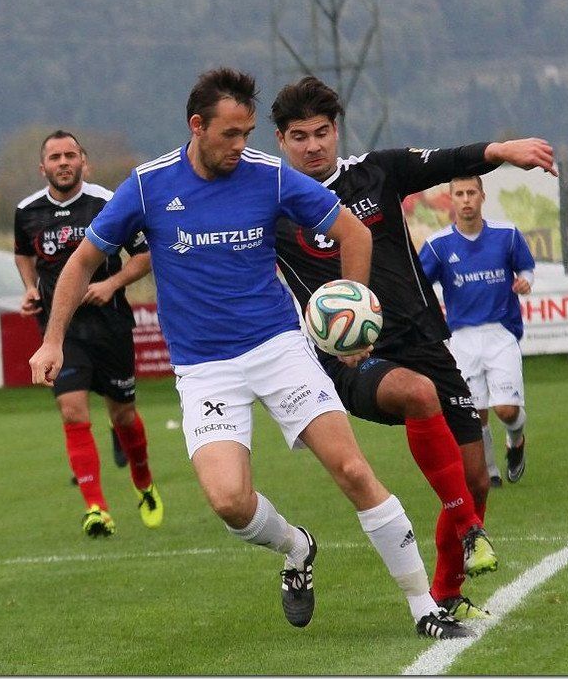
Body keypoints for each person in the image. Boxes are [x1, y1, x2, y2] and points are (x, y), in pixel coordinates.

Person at [29, 68, 471, 639]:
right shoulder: (147, 185)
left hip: (279, 349)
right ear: (197, 126)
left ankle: (423, 607)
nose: (241, 145)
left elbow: (354, 233)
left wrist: (352, 310)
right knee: (229, 502)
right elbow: (82, 263)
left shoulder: (269, 176)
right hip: (204, 369)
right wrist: (52, 340)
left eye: (247, 133)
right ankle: (296, 546)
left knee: (352, 469)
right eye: (230, 134)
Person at [269, 75, 556, 619]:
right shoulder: (270, 204)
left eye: (322, 132)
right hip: (350, 358)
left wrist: (502, 150)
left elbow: (447, 160)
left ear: (336, 131)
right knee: (417, 393)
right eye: (299, 136)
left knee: (476, 479)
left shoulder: (376, 172)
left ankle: (448, 595)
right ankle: (470, 530)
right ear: (281, 140)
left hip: (424, 341)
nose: (312, 146)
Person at [14, 130, 162, 537]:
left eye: (70, 155)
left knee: (124, 416)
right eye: (55, 157)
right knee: (72, 411)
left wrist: (111, 284)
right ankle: (96, 508)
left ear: (84, 162)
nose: (63, 162)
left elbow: (145, 255)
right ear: (42, 167)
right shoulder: (26, 211)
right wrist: (29, 288)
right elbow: (23, 254)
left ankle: (144, 483)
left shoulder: (108, 203)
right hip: (60, 332)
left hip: (110, 326)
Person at [420, 175, 535, 487]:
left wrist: (525, 281)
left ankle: (516, 440)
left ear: (482, 196)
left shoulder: (506, 234)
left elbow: (526, 267)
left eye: (471, 192)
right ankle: (490, 472)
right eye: (459, 194)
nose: (466, 199)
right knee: (475, 413)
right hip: (461, 338)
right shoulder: (438, 244)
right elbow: (419, 285)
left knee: (507, 410)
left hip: (501, 333)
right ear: (451, 199)